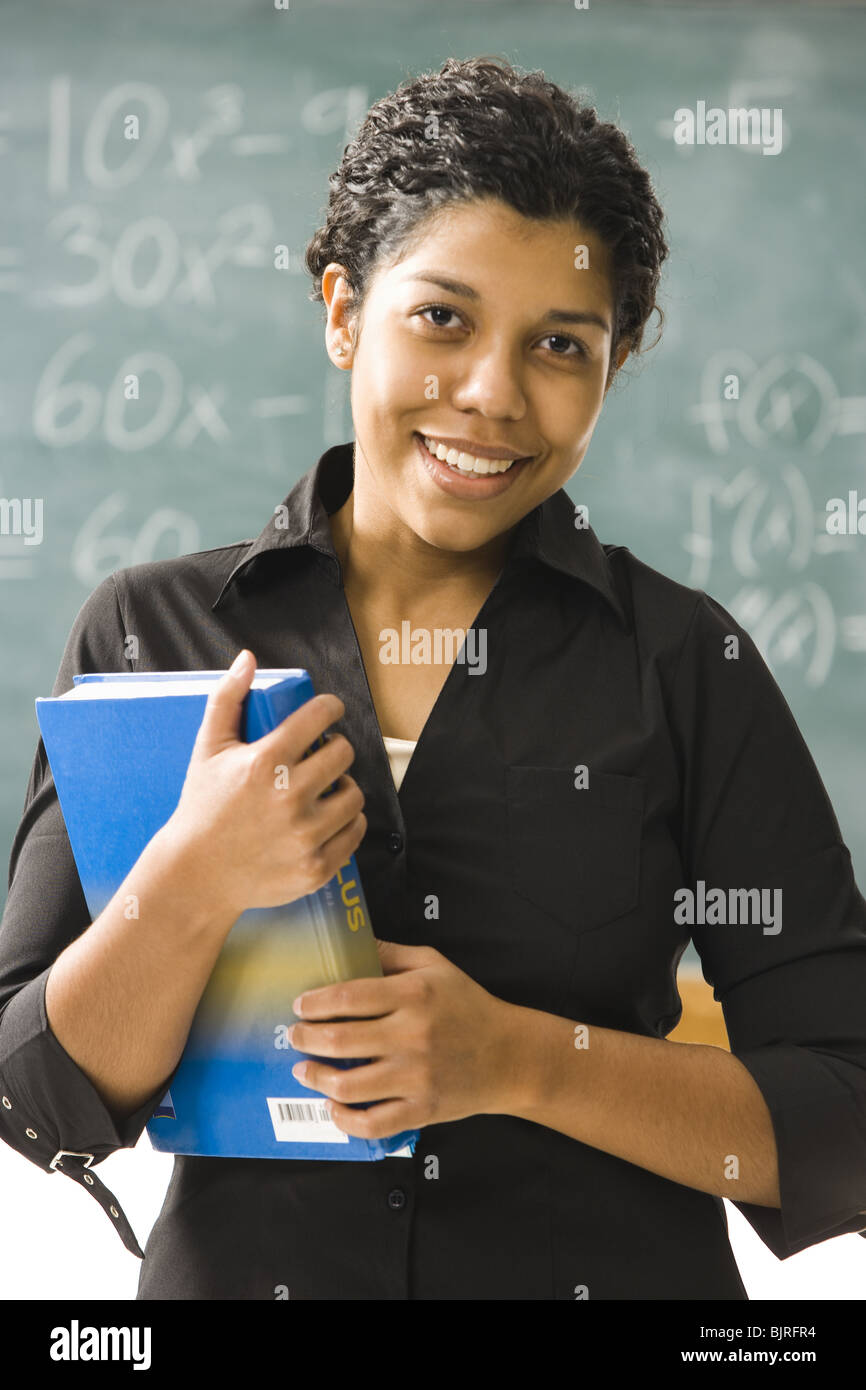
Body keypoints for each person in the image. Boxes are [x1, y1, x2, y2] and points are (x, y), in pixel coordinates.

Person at [1, 55, 865, 1301]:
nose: (491, 396)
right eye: (441, 319)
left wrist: (517, 1059)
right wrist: (190, 882)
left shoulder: (683, 663)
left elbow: (843, 1109)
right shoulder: (152, 632)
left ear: (610, 368)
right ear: (345, 310)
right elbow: (41, 1104)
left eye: (559, 344)